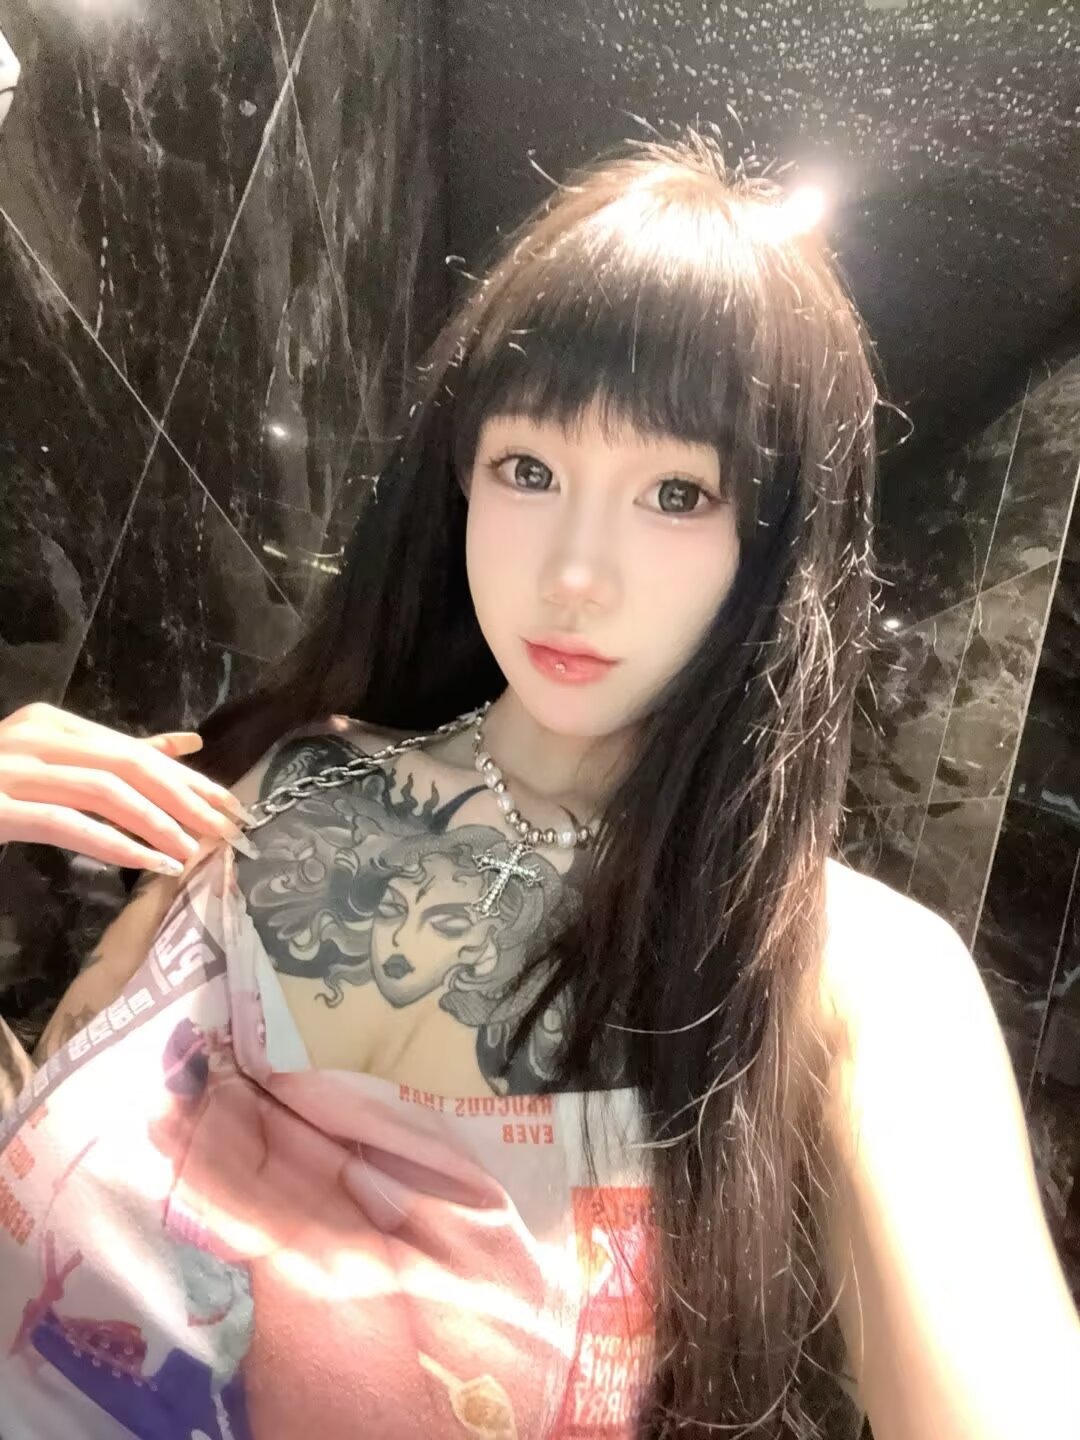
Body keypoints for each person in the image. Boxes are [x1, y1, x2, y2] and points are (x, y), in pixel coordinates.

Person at [0, 127, 1077, 1440]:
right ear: (462, 478)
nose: (575, 572)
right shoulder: (285, 776)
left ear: (771, 541)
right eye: (530, 468)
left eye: (676, 492)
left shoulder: (848, 972)